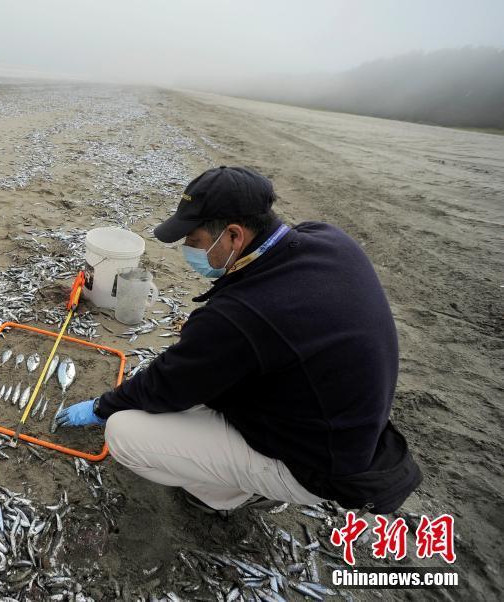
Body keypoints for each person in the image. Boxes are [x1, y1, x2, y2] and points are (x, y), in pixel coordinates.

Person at [55, 166, 421, 516]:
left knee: (124, 431)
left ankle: (228, 497)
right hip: (350, 428)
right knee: (202, 393)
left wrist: (102, 408)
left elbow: (167, 385)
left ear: (233, 235)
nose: (188, 250)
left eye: (194, 241)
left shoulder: (245, 313)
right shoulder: (327, 239)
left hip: (318, 464)